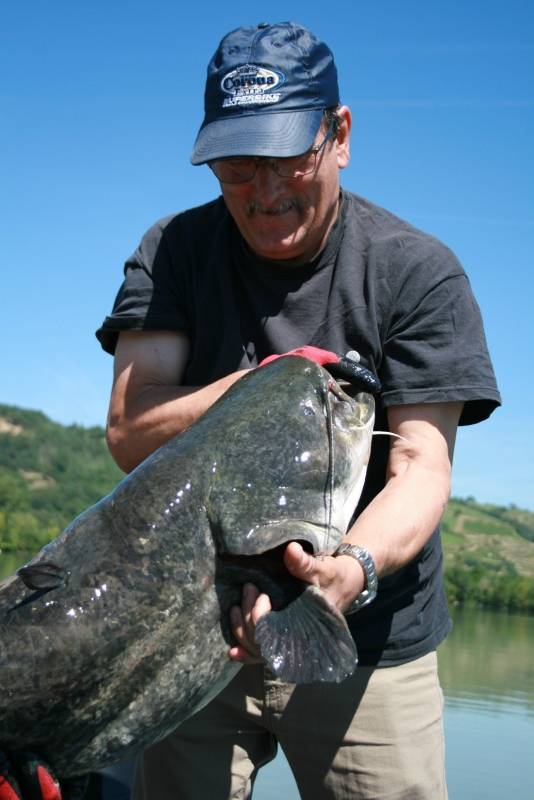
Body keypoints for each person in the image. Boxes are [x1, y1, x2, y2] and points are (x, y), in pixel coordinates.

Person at [4, 20, 499, 800]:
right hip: (188, 637)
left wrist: (351, 571)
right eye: (238, 166)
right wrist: (258, 385)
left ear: (338, 135)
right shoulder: (174, 250)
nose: (264, 192)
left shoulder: (416, 272)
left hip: (367, 640)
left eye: (285, 159)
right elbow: (131, 430)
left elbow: (420, 463)